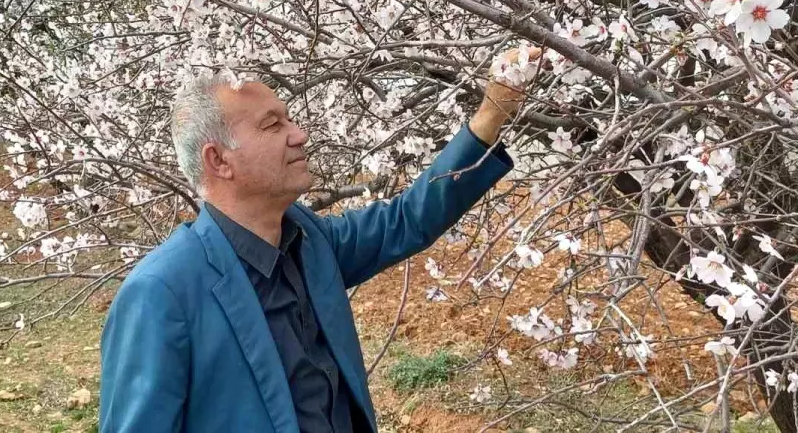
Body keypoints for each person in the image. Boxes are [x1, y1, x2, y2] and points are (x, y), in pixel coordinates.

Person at [99, 47, 538, 433]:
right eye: (273, 125)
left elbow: (408, 220)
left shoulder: (309, 240)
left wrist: (490, 115)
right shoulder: (163, 293)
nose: (299, 134)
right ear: (219, 160)